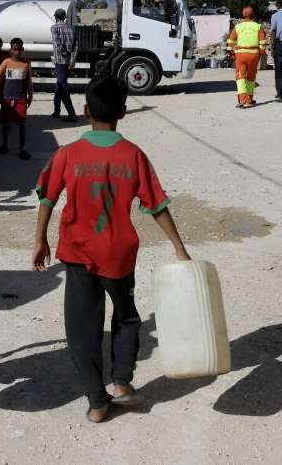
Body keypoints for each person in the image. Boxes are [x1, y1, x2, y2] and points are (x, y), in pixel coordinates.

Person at [32, 74, 191, 424]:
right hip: (118, 253)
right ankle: (121, 382)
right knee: (127, 317)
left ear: (86, 110)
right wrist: (179, 248)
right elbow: (156, 205)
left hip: (77, 254)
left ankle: (96, 401)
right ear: (123, 111)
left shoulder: (68, 153)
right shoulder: (133, 155)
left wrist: (40, 238)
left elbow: (47, 197)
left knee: (81, 327)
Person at [0, 37, 33, 160]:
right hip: (7, 98)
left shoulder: (26, 63)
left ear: (22, 49)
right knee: (5, 122)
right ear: (11, 50)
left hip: (21, 98)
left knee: (22, 123)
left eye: (19, 49)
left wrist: (30, 95)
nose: (17, 52)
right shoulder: (6, 62)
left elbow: (29, 81)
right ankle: (4, 145)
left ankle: (22, 149)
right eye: (15, 49)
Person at [225, 7, 266, 108]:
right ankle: (249, 100)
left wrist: (231, 53)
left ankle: (242, 101)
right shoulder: (258, 26)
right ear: (253, 15)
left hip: (240, 55)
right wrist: (260, 54)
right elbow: (263, 43)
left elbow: (230, 41)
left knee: (240, 77)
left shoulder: (238, 27)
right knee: (251, 77)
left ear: (243, 15)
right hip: (253, 54)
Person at [50, 8, 77, 121]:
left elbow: (58, 45)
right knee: (59, 86)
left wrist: (64, 55)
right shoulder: (71, 28)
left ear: (56, 17)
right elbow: (76, 46)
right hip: (68, 62)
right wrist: (72, 60)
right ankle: (57, 111)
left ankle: (72, 114)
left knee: (63, 86)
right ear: (65, 17)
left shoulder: (54, 28)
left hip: (60, 61)